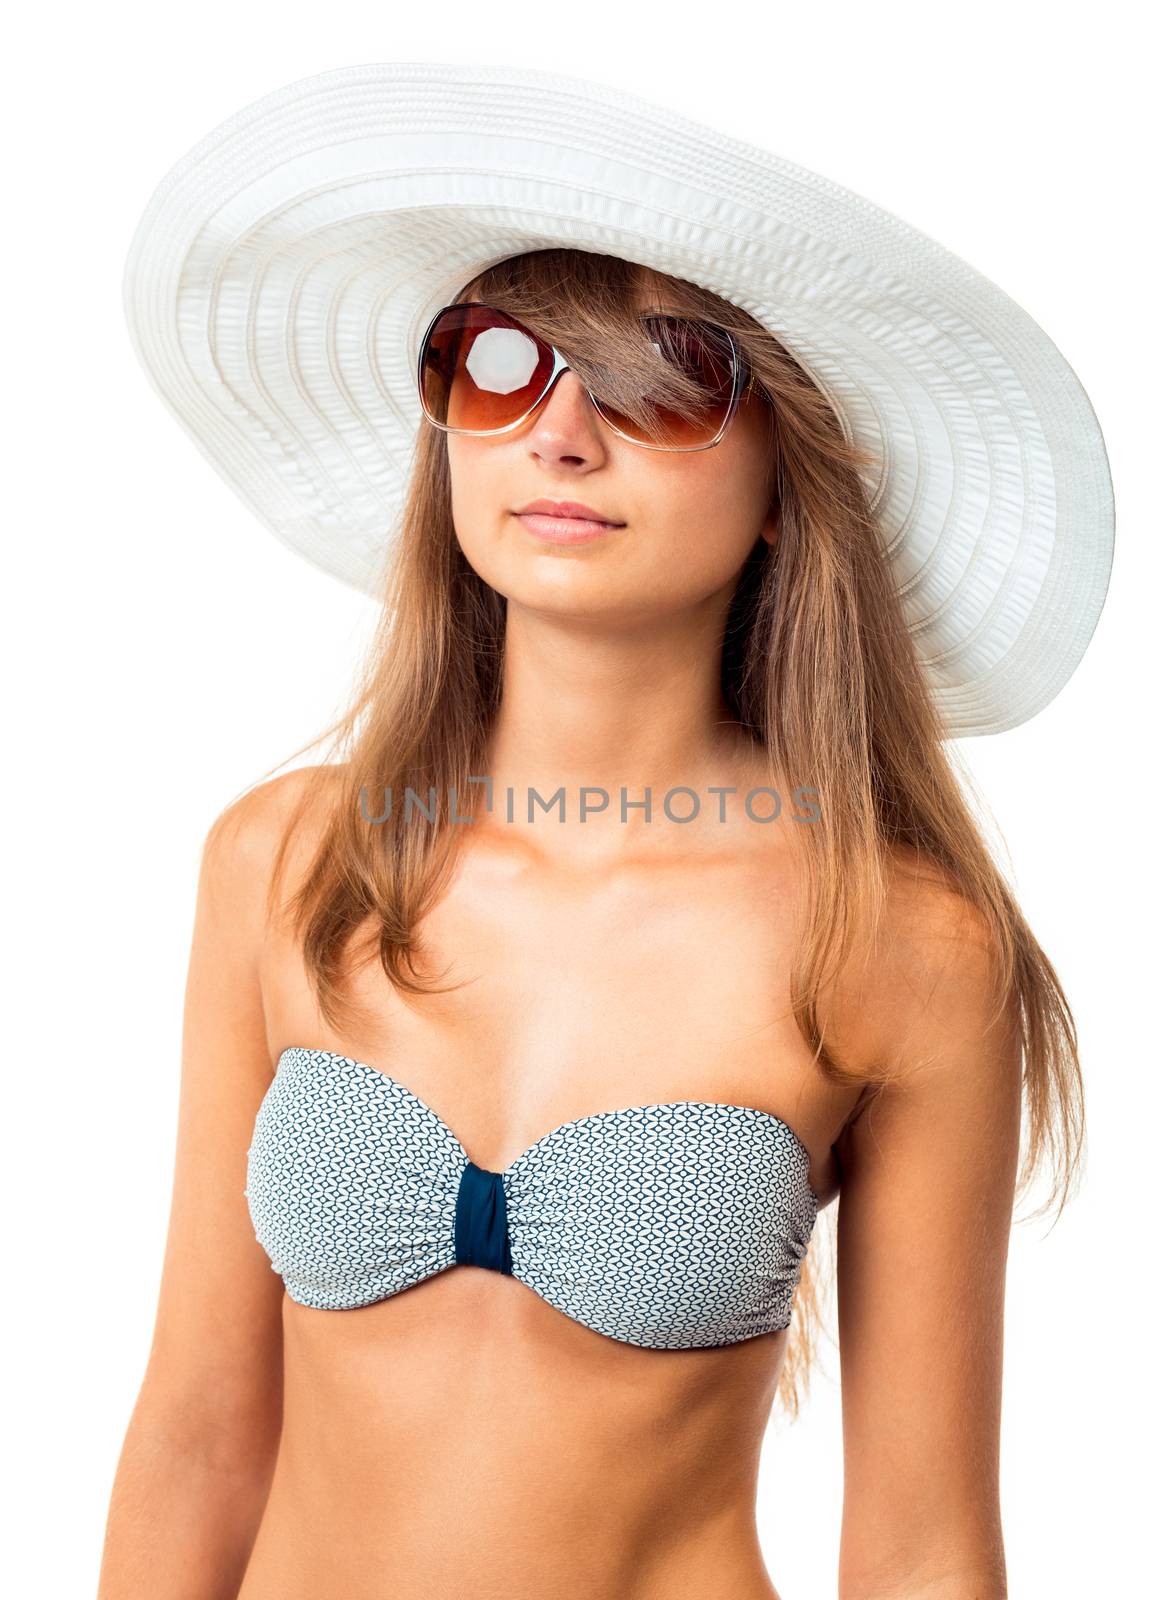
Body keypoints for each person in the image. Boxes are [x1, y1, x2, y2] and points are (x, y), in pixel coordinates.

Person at [99, 63, 1114, 1600]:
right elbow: (193, 1434)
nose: (561, 434)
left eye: (663, 378)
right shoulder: (287, 864)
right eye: (498, 363)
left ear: (787, 479)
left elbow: (916, 1546)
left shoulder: (894, 943)